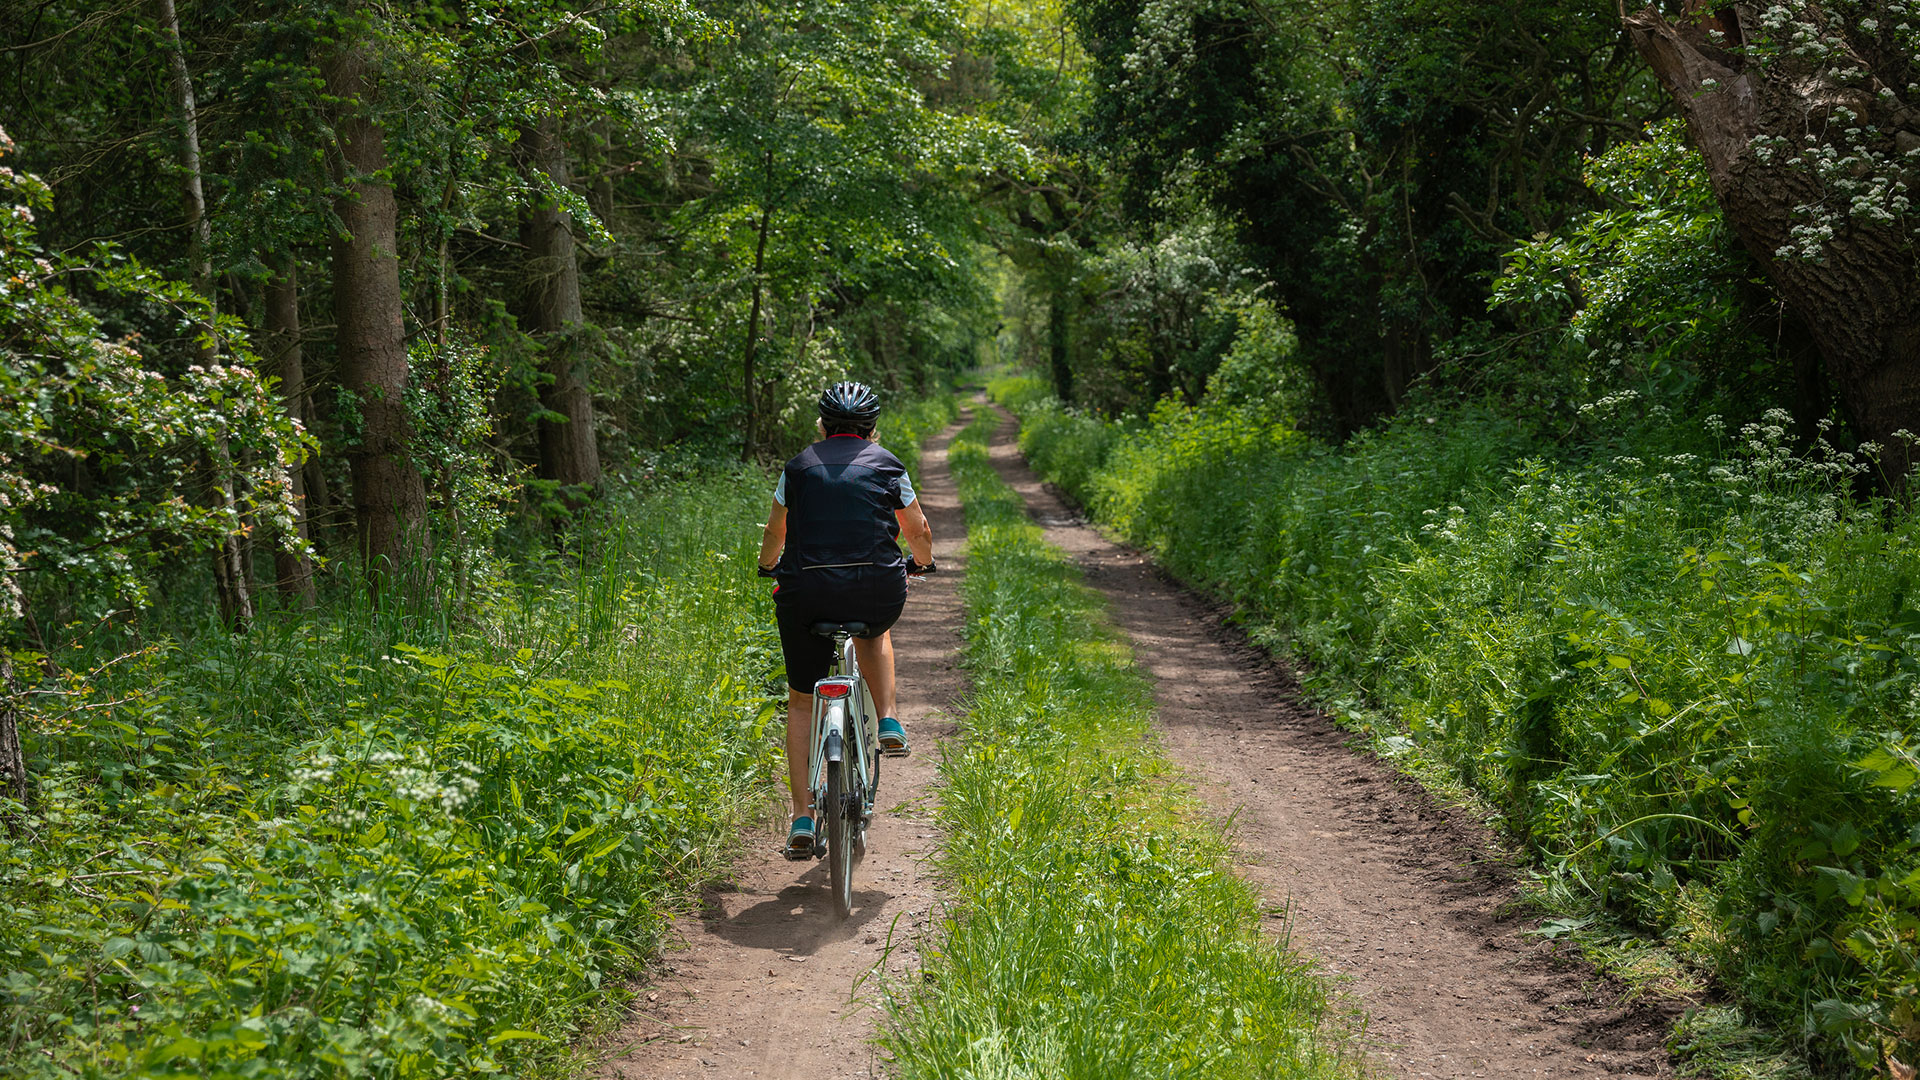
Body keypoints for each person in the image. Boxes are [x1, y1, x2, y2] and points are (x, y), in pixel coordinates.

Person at [757, 381, 935, 859]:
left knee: (799, 702)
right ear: (872, 429)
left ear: (822, 425)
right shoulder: (889, 465)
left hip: (805, 593)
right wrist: (921, 561)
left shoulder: (797, 468)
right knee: (875, 631)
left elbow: (777, 530)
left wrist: (767, 564)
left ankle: (800, 815)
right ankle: (889, 720)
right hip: (875, 587)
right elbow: (917, 530)